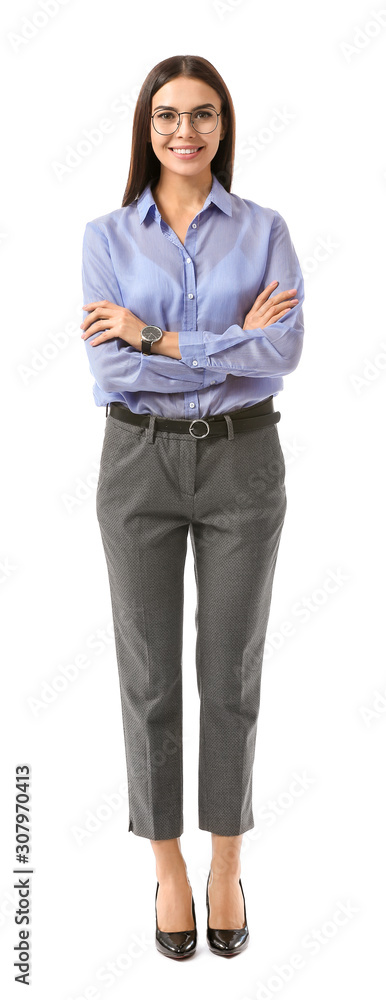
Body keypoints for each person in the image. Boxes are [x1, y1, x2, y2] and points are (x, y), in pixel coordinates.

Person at [80, 54, 304, 959]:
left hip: (245, 462)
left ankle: (226, 862)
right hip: (137, 461)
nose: (185, 131)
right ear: (146, 126)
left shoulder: (265, 229)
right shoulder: (105, 235)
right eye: (168, 115)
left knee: (232, 674)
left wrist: (160, 335)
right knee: (148, 676)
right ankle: (167, 864)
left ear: (224, 126)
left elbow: (282, 355)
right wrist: (226, 341)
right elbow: (109, 366)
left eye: (203, 115)